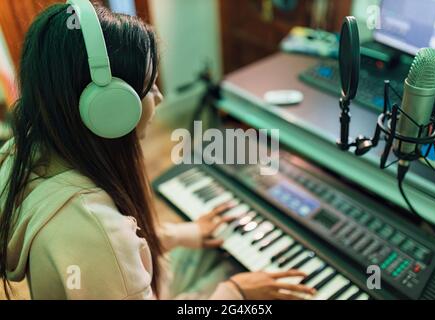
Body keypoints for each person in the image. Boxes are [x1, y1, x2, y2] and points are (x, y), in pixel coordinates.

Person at [0, 2, 316, 300]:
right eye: (149, 87)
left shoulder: (31, 152)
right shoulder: (95, 231)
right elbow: (108, 248)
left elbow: (115, 257)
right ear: (108, 109)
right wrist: (235, 292)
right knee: (236, 269)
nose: (161, 97)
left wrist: (180, 234)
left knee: (216, 250)